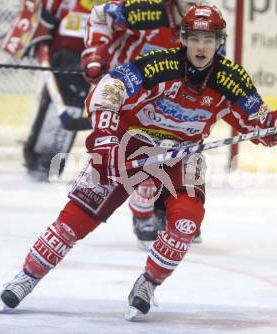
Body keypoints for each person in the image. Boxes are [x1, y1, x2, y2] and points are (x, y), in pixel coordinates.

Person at [0, 4, 277, 320]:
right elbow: (110, 88)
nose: (202, 47)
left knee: (188, 221)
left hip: (183, 155)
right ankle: (28, 275)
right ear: (183, 39)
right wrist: (105, 137)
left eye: (209, 39)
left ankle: (148, 284)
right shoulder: (158, 64)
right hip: (128, 144)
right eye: (196, 38)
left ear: (219, 42)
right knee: (76, 218)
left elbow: (258, 121)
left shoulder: (231, 80)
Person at [81, 0, 204, 248]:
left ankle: (168, 207)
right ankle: (142, 211)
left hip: (168, 105)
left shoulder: (204, 25)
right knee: (138, 156)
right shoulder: (144, 10)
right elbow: (99, 16)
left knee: (183, 151)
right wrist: (96, 54)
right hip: (127, 101)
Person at [7, 0, 107, 180]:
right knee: (59, 107)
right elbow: (41, 19)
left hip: (90, 60)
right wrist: (37, 36)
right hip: (62, 56)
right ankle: (40, 160)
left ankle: (48, 162)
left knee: (74, 106)